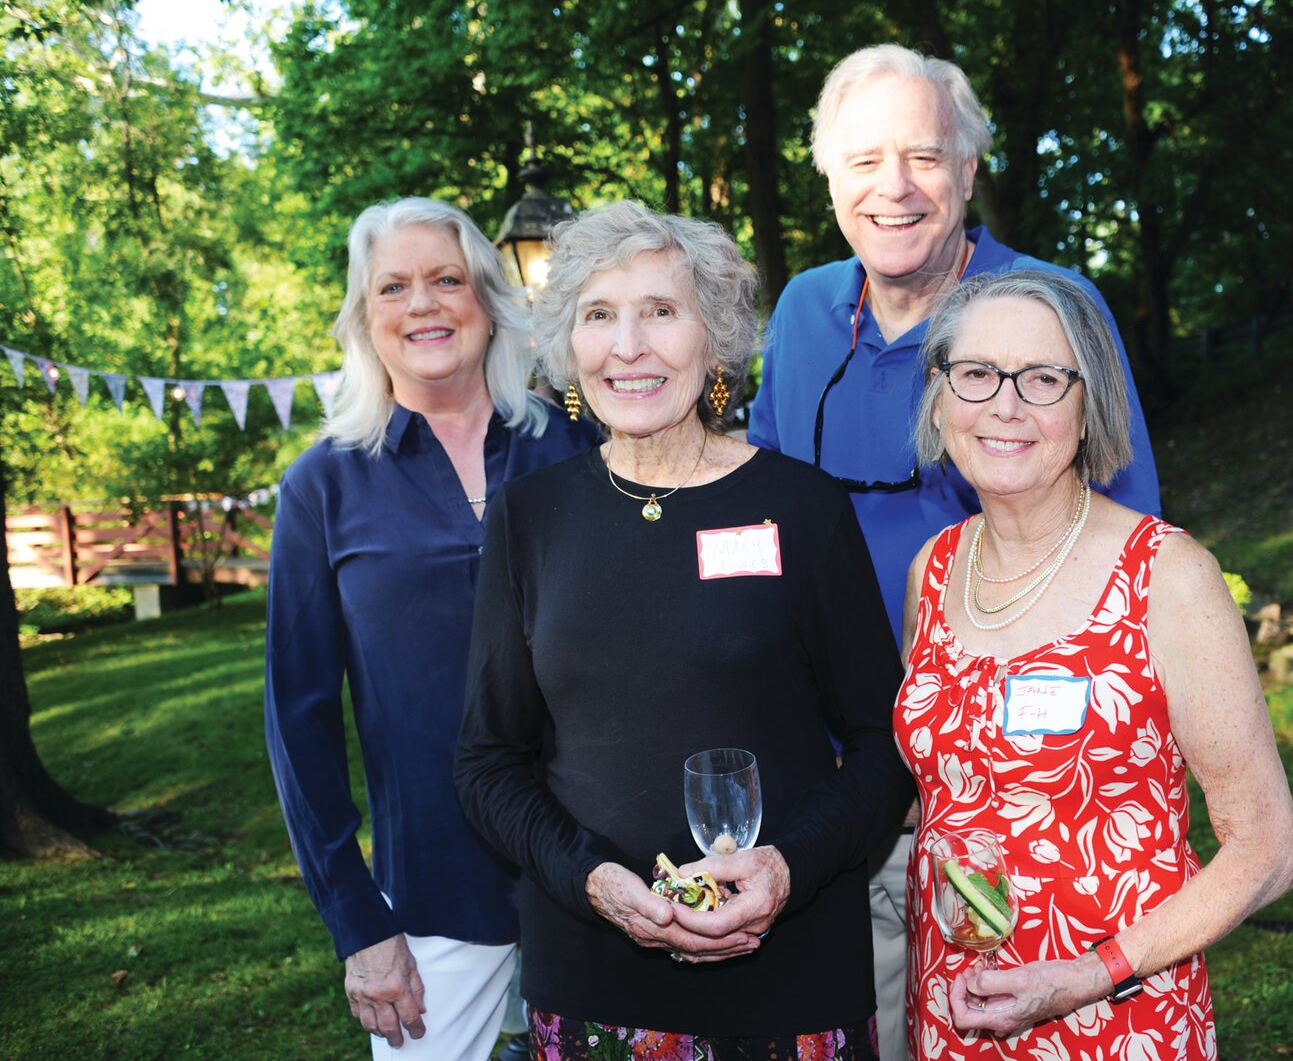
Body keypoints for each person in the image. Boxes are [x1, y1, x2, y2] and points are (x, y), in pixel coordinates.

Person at [746, 44, 1163, 1061]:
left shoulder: (1051, 307)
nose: (893, 187)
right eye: (863, 161)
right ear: (829, 178)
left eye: (924, 157)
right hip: (824, 781)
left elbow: (1131, 548)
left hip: (1003, 792)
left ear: (970, 171)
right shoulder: (802, 311)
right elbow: (754, 509)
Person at [454, 201, 912, 1057]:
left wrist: (786, 871)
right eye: (598, 315)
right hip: (593, 973)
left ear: (715, 337)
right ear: (567, 347)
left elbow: (887, 743)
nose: (628, 347)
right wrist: (588, 877)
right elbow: (487, 759)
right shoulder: (530, 518)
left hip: (790, 966)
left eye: (661, 312)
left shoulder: (802, 507)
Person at [897, 270, 1293, 1059]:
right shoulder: (934, 568)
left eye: (1043, 378)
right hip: (954, 1004)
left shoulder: (1167, 575)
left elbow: (1268, 849)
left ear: (1089, 406)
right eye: (977, 374)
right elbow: (943, 791)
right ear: (941, 397)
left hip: (1118, 1014)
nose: (1005, 405)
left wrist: (1089, 972)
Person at [264, 197, 597, 1059]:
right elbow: (298, 723)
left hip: (604, 863)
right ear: (363, 317)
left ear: (488, 299)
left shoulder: (578, 448)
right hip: (433, 890)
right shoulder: (322, 487)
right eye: (394, 287)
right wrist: (355, 919)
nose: (424, 304)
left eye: (447, 279)